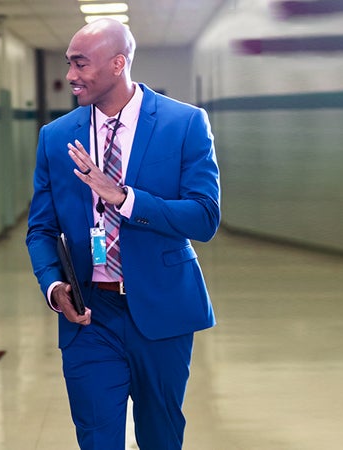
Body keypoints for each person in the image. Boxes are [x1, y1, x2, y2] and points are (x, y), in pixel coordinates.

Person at [25, 19, 220, 449]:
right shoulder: (56, 137)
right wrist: (54, 285)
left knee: (160, 435)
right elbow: (40, 228)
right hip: (90, 314)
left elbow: (205, 217)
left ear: (118, 64)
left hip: (163, 307)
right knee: (97, 439)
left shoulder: (184, 124)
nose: (71, 75)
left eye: (80, 63)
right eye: (68, 64)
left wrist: (125, 199)